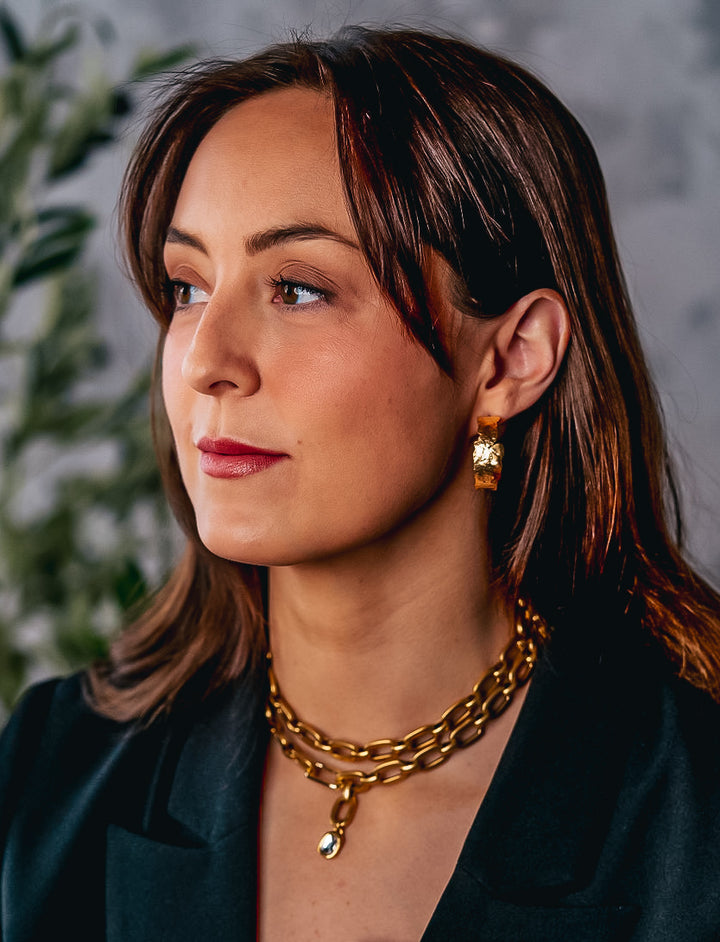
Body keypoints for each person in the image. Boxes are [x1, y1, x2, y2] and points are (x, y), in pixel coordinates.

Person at [1, 25, 719, 942]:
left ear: (509, 360)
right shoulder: (53, 771)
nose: (206, 363)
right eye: (187, 287)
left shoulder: (692, 820)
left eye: (296, 288)